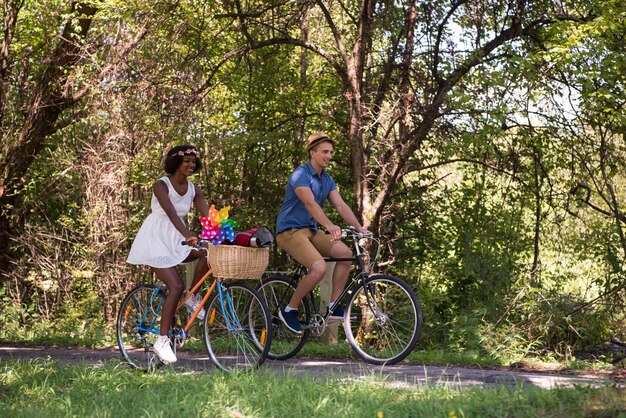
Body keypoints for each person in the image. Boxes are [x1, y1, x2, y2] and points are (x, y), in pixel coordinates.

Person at [275, 132, 368, 333]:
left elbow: (341, 205)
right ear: (312, 152)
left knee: (345, 253)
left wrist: (360, 228)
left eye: (331, 152)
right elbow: (309, 203)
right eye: (325, 152)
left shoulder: (327, 179)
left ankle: (334, 306)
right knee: (319, 268)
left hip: (311, 231)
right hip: (290, 232)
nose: (329, 155)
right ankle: (289, 309)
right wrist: (330, 225)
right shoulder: (300, 175)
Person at [127, 145, 210, 364]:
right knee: (175, 285)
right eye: (187, 161)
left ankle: (193, 296)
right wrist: (189, 235)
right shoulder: (161, 185)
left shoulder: (194, 189)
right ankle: (162, 340)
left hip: (176, 239)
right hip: (155, 239)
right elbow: (171, 213)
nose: (191, 165)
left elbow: (209, 216)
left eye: (194, 162)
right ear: (176, 162)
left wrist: (227, 233)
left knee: (210, 253)